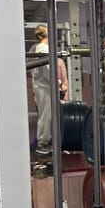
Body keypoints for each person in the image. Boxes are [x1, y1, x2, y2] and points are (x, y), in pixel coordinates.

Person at [30, 24, 68, 156]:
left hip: (41, 85)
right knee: (46, 116)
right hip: (45, 86)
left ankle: (46, 142)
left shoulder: (34, 48)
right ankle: (43, 143)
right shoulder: (44, 49)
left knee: (46, 115)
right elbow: (47, 71)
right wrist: (59, 83)